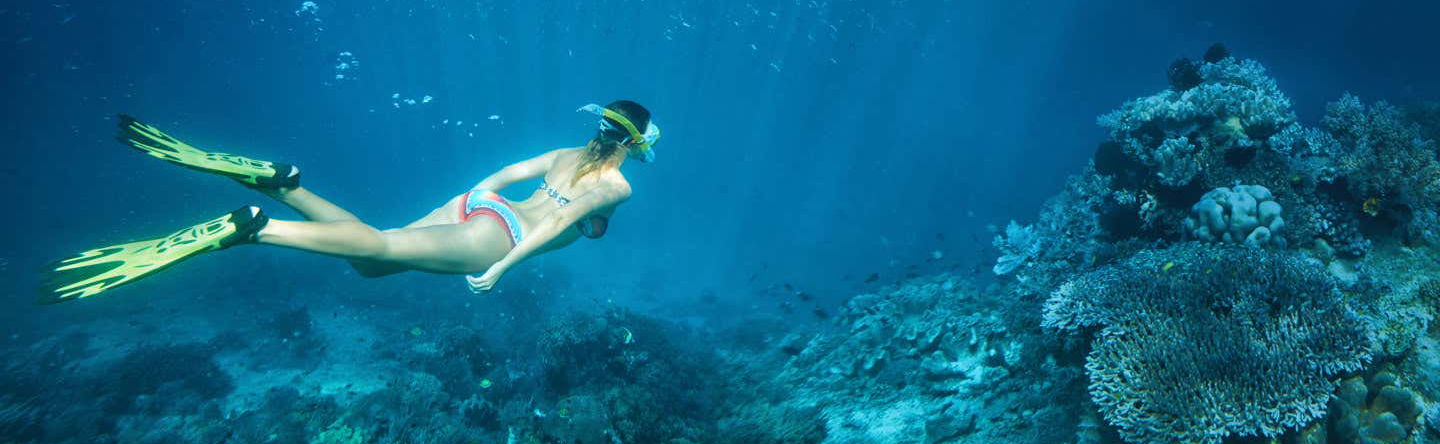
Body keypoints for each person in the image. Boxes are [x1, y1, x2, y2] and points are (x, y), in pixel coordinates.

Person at [40, 100, 658, 303]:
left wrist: (461, 200)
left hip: (473, 205)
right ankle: (255, 227)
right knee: (381, 247)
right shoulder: (617, 187)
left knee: (369, 258)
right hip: (497, 238)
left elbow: (500, 175)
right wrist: (495, 267)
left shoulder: (563, 153)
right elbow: (556, 230)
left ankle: (284, 185)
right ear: (636, 148)